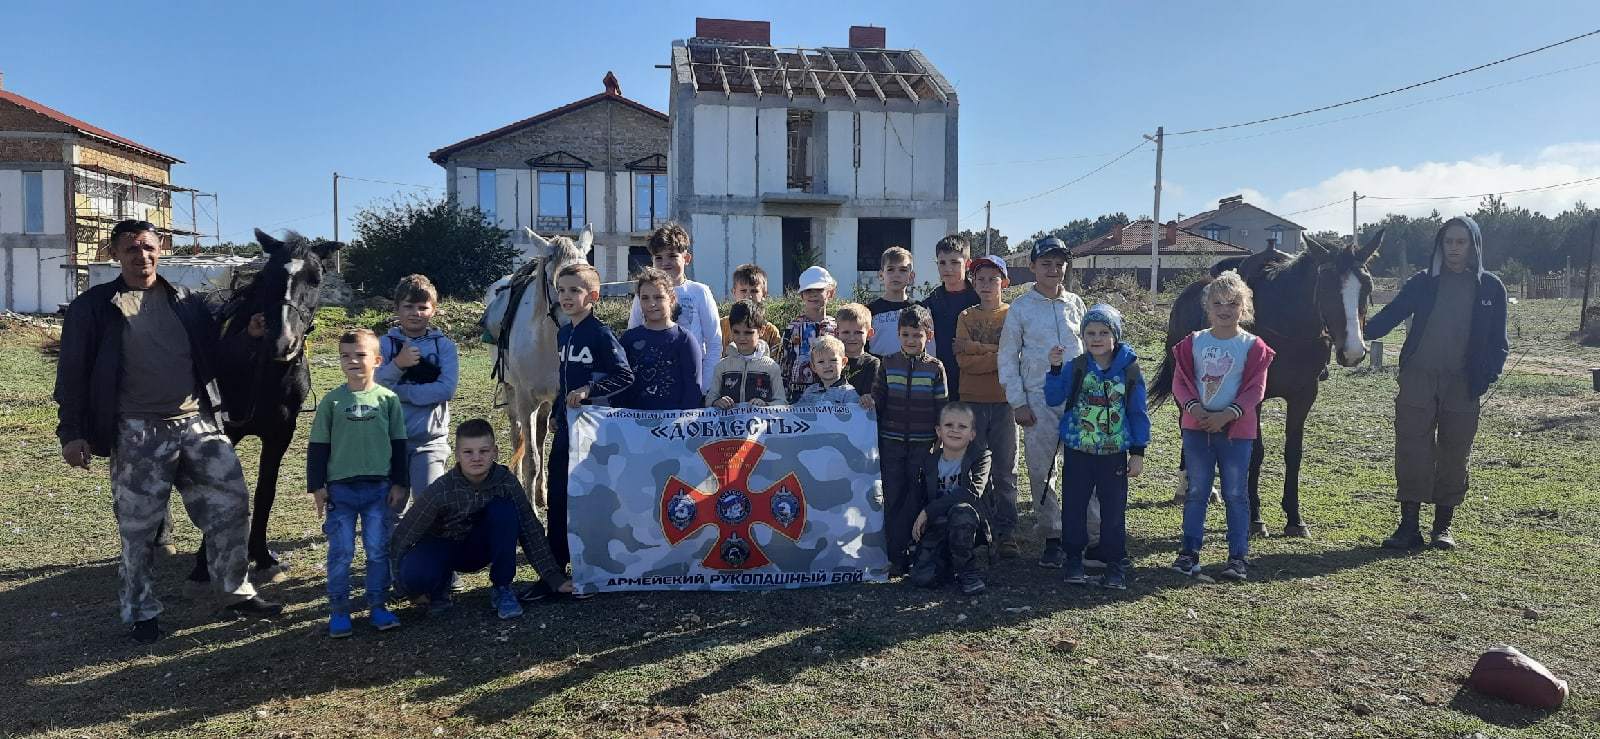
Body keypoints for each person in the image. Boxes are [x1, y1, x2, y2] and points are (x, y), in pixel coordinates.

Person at [53, 219, 281, 644]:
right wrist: (72, 432)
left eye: (148, 247)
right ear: (115, 254)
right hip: (137, 430)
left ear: (161, 250)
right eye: (131, 249)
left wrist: (249, 338)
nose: (141, 256)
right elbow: (72, 373)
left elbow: (215, 354)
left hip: (197, 423)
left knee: (232, 505)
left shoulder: (187, 301)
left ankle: (235, 591)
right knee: (139, 529)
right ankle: (141, 611)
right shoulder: (94, 307)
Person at [1365, 216, 1509, 551]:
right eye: (1448, 242)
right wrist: (1354, 333)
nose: (1454, 249)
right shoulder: (1422, 282)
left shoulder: (1491, 287)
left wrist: (1486, 376)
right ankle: (1408, 528)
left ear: (1473, 246)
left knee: (1455, 452)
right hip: (1418, 378)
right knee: (1412, 450)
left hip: (1463, 384)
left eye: (1461, 242)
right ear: (1440, 245)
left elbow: (1499, 342)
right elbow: (1390, 316)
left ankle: (1442, 528)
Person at [392, 419, 574, 618]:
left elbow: (531, 529)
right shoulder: (442, 489)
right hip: (445, 548)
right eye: (468, 452)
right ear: (457, 454)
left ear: (495, 452)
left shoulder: (506, 482)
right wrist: (402, 584)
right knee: (414, 574)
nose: (476, 458)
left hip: (482, 548)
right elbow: (406, 532)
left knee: (504, 510)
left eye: (484, 451)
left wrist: (554, 578)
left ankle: (502, 588)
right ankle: (438, 590)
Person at [1169, 272, 1275, 582]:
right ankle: (1189, 553)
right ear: (1207, 307)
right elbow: (1180, 382)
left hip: (1236, 434)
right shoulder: (1193, 343)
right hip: (1197, 429)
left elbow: (1256, 388)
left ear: (1244, 307)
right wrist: (1194, 409)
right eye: (1218, 303)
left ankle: (1237, 557)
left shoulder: (1253, 346)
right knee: (1197, 491)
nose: (1225, 309)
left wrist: (1228, 415)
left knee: (1235, 493)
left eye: (1232, 303)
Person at [307, 328, 409, 637]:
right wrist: (317, 486)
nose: (352, 360)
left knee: (377, 549)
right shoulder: (332, 402)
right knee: (342, 553)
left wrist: (400, 483)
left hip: (379, 491)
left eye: (360, 355)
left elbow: (399, 445)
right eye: (345, 356)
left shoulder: (388, 400)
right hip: (341, 492)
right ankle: (339, 611)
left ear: (377, 360)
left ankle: (378, 605)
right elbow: (318, 446)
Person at [997, 236, 1088, 568]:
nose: (1053, 270)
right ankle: (1052, 535)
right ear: (1033, 266)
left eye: (1059, 264)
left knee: (1083, 468)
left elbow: (1091, 347)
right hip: (1038, 400)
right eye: (1046, 264)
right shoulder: (1021, 308)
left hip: (1078, 400)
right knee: (1042, 469)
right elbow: (1007, 357)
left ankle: (1086, 535)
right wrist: (1018, 402)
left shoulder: (1076, 304)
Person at [1045, 304, 1150, 590]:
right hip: (1078, 451)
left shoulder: (1129, 370)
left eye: (1104, 332)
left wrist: (1137, 452)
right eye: (1090, 333)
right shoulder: (1076, 366)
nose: (1096, 338)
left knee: (1113, 511)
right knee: (1074, 508)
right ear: (1083, 337)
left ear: (1115, 335)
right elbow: (1053, 398)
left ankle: (1114, 563)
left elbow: (1138, 412)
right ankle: (1073, 560)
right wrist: (1055, 369)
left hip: (1113, 454)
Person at [550, 263, 634, 568]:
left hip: (593, 430)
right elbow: (564, 379)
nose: (566, 296)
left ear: (593, 296)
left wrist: (590, 390)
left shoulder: (601, 333)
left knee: (590, 494)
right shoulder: (563, 333)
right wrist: (556, 409)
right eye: (561, 290)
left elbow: (625, 375)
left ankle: (597, 561)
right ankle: (556, 564)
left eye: (574, 290)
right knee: (557, 491)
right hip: (566, 425)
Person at [869, 305, 949, 576]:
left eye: (917, 335)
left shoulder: (936, 368)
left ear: (929, 336)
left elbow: (942, 406)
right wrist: (869, 403)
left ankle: (916, 553)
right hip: (891, 442)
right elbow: (879, 399)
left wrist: (940, 437)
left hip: (922, 444)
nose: (911, 340)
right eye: (905, 335)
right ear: (898, 334)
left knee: (916, 496)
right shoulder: (887, 363)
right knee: (893, 496)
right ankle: (895, 556)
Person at [954, 255, 1021, 559]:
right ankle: (980, 529)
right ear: (973, 282)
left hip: (1005, 402)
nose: (986, 284)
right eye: (980, 279)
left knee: (1005, 471)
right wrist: (996, 354)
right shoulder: (965, 316)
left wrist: (976, 348)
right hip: (972, 401)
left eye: (992, 279)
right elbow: (964, 361)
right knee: (974, 470)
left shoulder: (1013, 315)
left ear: (1004, 282)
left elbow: (1014, 357)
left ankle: (1007, 533)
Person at [376, 274, 459, 516]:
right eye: (409, 306)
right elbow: (372, 387)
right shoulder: (383, 345)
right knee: (389, 512)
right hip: (389, 443)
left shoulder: (444, 346)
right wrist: (398, 365)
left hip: (430, 441)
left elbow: (446, 389)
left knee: (429, 510)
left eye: (423, 307)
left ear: (434, 310)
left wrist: (399, 391)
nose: (416, 313)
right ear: (396, 308)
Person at [909, 402, 993, 595]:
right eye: (948, 425)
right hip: (938, 525)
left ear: (972, 434)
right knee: (922, 578)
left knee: (961, 511)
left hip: (971, 525)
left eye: (962, 426)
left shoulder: (981, 457)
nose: (955, 430)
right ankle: (947, 563)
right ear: (938, 431)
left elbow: (971, 493)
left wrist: (928, 512)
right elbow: (920, 498)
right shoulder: (929, 461)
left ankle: (968, 572)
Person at [628, 222, 720, 394]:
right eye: (659, 258)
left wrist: (704, 388)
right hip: (653, 381)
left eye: (672, 256)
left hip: (691, 380)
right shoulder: (642, 294)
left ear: (686, 258)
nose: (665, 263)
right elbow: (632, 336)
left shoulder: (700, 292)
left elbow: (714, 343)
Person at [620, 268, 705, 410]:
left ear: (672, 299)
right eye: (645, 298)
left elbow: (693, 390)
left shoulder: (685, 340)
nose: (651, 303)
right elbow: (620, 385)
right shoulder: (629, 339)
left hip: (674, 422)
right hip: (633, 421)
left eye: (658, 297)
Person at [921, 235, 981, 399]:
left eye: (954, 262)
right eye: (942, 263)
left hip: (976, 383)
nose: (948, 268)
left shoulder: (981, 300)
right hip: (940, 383)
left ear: (967, 264)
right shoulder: (929, 304)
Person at [707, 299, 786, 408]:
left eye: (748, 333)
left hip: (760, 419)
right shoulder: (721, 367)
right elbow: (709, 399)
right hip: (729, 419)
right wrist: (716, 402)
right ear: (730, 330)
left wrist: (766, 404)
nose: (742, 337)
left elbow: (782, 402)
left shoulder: (771, 368)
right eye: (736, 332)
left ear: (761, 331)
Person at [780, 265, 838, 400]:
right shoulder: (792, 327)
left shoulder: (836, 327)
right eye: (808, 290)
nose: (813, 294)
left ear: (830, 293)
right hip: (796, 397)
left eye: (819, 289)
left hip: (830, 397)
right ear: (801, 295)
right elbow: (784, 364)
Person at [719, 264, 784, 358]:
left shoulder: (771, 332)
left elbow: (776, 362)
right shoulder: (721, 326)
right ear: (734, 292)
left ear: (764, 294)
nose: (748, 296)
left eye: (754, 291)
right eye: (743, 290)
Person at [868, 246, 916, 356]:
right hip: (878, 366)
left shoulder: (919, 309)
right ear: (881, 275)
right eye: (890, 269)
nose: (896, 275)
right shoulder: (870, 311)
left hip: (911, 366)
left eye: (903, 270)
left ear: (911, 276)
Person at [793, 336, 860, 406]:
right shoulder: (810, 391)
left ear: (843, 362)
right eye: (821, 362)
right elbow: (798, 410)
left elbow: (854, 412)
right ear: (813, 367)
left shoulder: (849, 394)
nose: (827, 366)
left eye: (833, 360)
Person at [834, 302, 880, 398]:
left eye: (858, 332)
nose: (852, 338)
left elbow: (873, 396)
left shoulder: (872, 364)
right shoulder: (831, 361)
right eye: (846, 332)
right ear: (837, 333)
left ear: (869, 334)